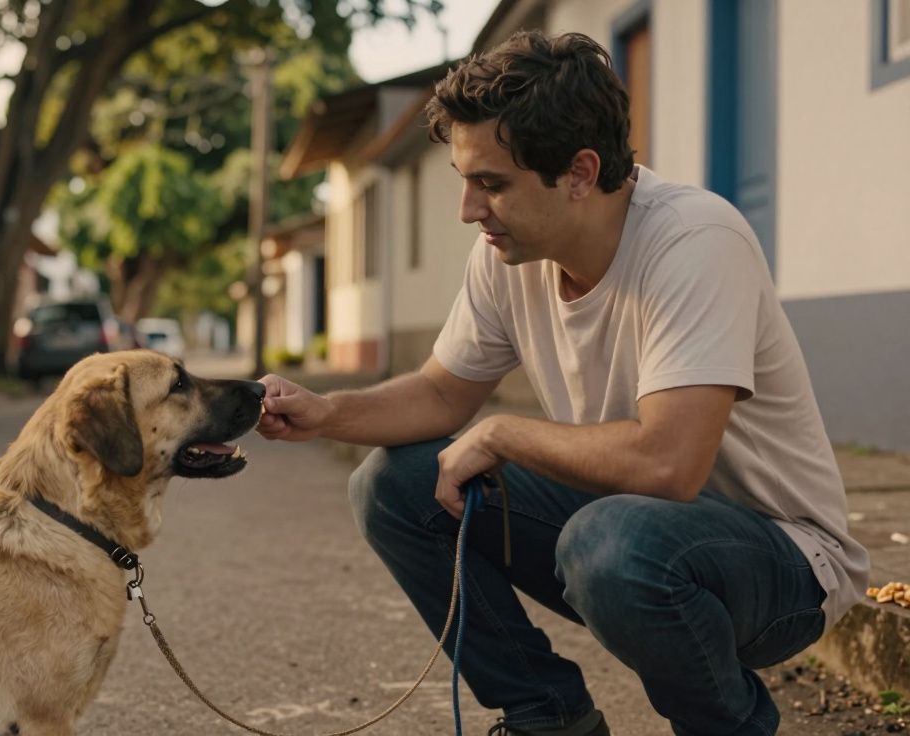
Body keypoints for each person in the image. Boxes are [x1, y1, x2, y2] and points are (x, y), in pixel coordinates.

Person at [256, 30, 868, 736]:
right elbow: (440, 394)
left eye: (492, 184)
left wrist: (503, 432)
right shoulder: (508, 255)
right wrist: (326, 410)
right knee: (392, 487)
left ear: (579, 172)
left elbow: (668, 465)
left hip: (783, 563)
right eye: (464, 179)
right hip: (629, 531)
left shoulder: (695, 242)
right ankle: (549, 717)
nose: (469, 209)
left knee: (608, 540)